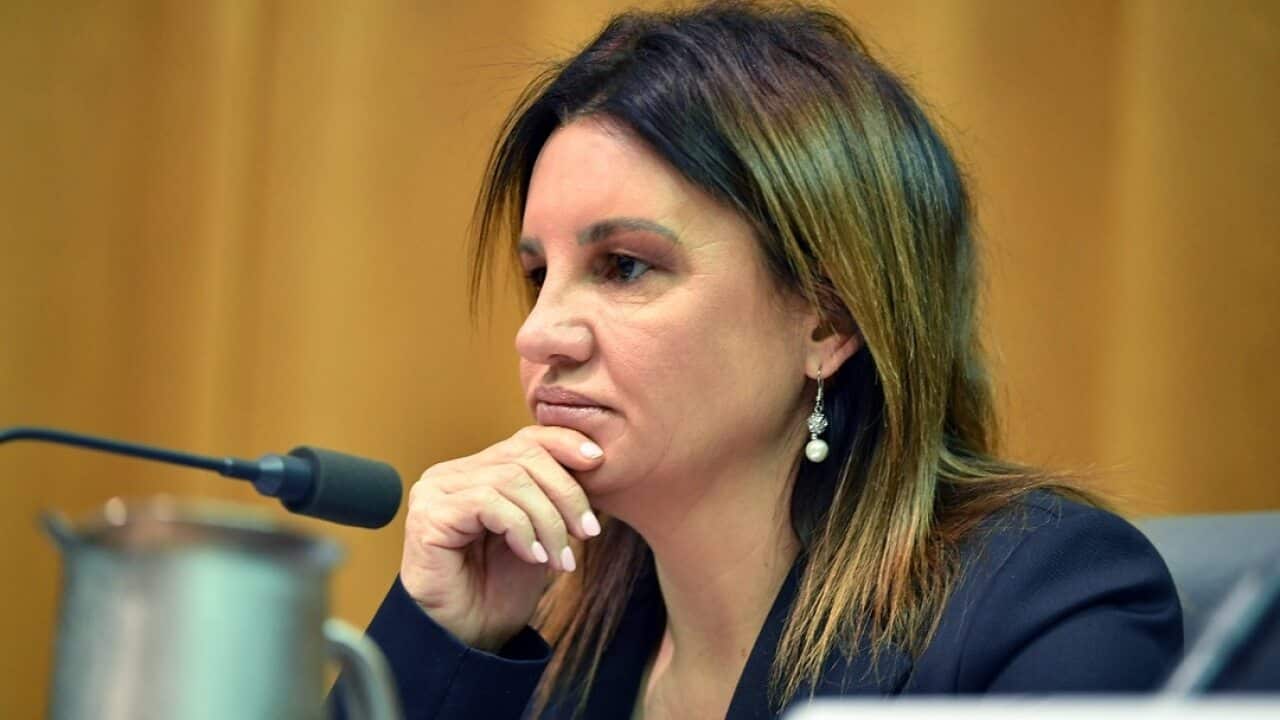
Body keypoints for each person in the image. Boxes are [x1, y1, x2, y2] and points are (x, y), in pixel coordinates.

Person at [333, 2, 1182, 718]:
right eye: (537, 275)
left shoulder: (1042, 601)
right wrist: (444, 641)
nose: (539, 333)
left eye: (624, 267)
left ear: (828, 319)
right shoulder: (564, 645)